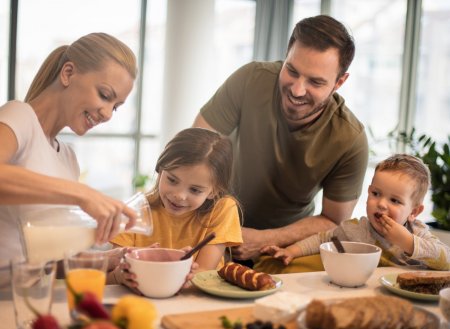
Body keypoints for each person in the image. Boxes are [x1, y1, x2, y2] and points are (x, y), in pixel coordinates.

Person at [192, 15, 368, 272]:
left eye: (315, 82)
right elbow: (194, 149)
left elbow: (334, 220)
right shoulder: (251, 79)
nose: (297, 90)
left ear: (339, 82)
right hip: (211, 227)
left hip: (283, 248)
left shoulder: (350, 139)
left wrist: (266, 239)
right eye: (291, 71)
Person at [0, 33, 139, 261]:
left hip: (35, 293)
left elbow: (51, 260)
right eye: (105, 95)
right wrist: (82, 194)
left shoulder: (68, 158)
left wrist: (114, 260)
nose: (107, 114)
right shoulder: (19, 115)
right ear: (68, 73)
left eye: (115, 107)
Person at [261, 154, 450, 271]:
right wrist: (291, 251)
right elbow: (323, 239)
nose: (381, 204)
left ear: (414, 212)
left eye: (394, 200)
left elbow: (446, 259)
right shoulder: (355, 230)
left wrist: (408, 242)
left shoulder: (417, 234)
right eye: (376, 194)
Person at [108, 128, 243, 287]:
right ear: (160, 169)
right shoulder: (135, 211)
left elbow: (205, 270)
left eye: (194, 190)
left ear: (214, 191)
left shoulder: (223, 208)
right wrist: (120, 275)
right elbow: (111, 276)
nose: (179, 195)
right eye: (172, 180)